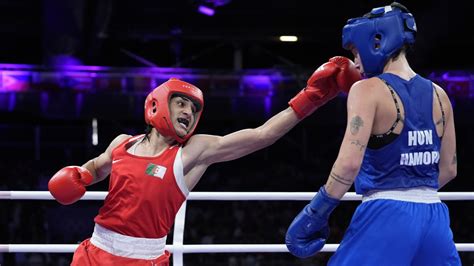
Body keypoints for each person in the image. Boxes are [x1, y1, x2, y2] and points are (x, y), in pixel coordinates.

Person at [48, 57, 361, 265]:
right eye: (181, 103)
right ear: (156, 104)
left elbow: (261, 135)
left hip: (143, 260)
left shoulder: (190, 153)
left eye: (193, 109)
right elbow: (95, 168)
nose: (188, 113)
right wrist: (80, 175)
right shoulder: (122, 144)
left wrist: (312, 96)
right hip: (94, 252)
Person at [285, 2, 460, 265]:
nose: (355, 62)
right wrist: (412, 191)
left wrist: (317, 212)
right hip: (434, 217)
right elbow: (449, 169)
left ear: (376, 41)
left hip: (386, 215)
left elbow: (348, 165)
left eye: (355, 52)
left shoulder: (367, 90)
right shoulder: (440, 94)